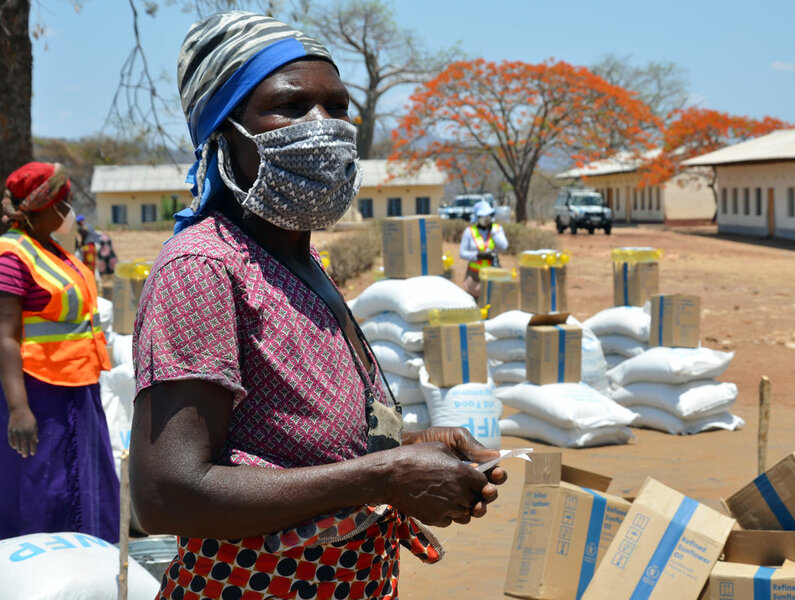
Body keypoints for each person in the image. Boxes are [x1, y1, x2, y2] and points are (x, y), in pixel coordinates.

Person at [129, 11, 507, 600]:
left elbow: (283, 447)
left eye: (337, 107)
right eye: (290, 106)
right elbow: (166, 494)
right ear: (223, 130)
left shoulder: (300, 263)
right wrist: (386, 475)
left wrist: (411, 449)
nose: (323, 126)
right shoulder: (205, 268)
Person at [0, 162, 118, 543]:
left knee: (85, 484)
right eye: (63, 202)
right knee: (40, 491)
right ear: (43, 207)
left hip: (76, 387)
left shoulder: (50, 249)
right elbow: (4, 336)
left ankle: (88, 565)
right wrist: (18, 408)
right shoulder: (12, 254)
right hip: (38, 394)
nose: (68, 211)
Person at [460, 203, 509, 299]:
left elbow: (504, 247)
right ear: (477, 217)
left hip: (493, 273)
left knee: (493, 302)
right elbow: (462, 253)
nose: (486, 219)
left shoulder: (497, 229)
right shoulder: (469, 231)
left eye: (488, 216)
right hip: (474, 276)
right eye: (483, 216)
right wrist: (477, 255)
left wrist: (493, 232)